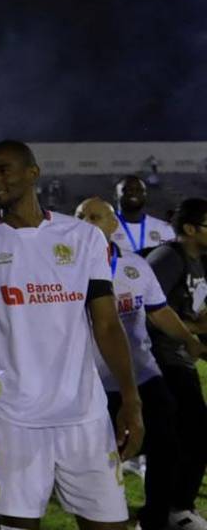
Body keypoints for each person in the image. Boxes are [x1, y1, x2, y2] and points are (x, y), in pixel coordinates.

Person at [0, 140, 142, 530]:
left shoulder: (84, 238)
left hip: (84, 417)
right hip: (14, 421)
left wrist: (131, 398)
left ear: (33, 173)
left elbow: (106, 323)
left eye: (3, 169)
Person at [75, 196, 205, 530]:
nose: (87, 222)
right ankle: (105, 513)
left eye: (95, 216)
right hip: (92, 381)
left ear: (113, 224)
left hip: (144, 374)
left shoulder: (135, 266)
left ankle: (155, 518)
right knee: (105, 455)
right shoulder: (64, 271)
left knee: (168, 444)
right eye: (80, 217)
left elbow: (159, 311)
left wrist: (188, 338)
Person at [146, 198, 207, 530]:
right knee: (184, 436)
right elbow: (148, 307)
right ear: (190, 229)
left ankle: (174, 509)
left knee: (188, 436)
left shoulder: (200, 261)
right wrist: (193, 331)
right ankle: (172, 511)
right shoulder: (169, 257)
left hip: (181, 357)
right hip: (160, 360)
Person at [113, 175, 175, 254]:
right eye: (128, 190)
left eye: (139, 190)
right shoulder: (103, 228)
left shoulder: (164, 229)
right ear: (116, 195)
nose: (134, 193)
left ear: (145, 195)